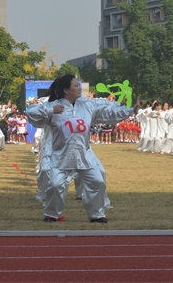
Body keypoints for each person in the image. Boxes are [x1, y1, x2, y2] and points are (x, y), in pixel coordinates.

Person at [26, 74, 137, 224]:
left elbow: (107, 112)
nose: (79, 88)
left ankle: (97, 214)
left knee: (97, 181)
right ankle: (52, 213)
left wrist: (129, 110)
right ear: (66, 89)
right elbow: (31, 113)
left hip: (84, 153)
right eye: (76, 85)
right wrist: (51, 110)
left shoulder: (86, 105)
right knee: (56, 185)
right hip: (61, 155)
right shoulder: (53, 105)